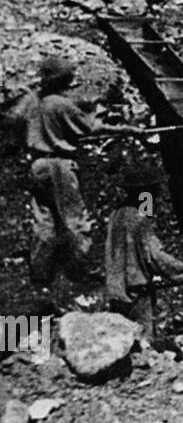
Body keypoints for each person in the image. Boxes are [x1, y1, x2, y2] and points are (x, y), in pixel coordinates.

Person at [4, 55, 149, 301]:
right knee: (75, 219)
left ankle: (40, 274)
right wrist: (128, 129)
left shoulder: (30, 101)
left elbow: (14, 124)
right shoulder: (60, 104)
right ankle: (80, 271)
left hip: (37, 164)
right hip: (59, 165)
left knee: (45, 220)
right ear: (64, 80)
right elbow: (92, 129)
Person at [105, 160, 183, 343]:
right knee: (144, 344)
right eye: (155, 190)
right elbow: (155, 256)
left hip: (117, 292)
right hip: (136, 294)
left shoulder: (116, 215)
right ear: (146, 191)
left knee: (122, 343)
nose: (159, 194)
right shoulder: (139, 219)